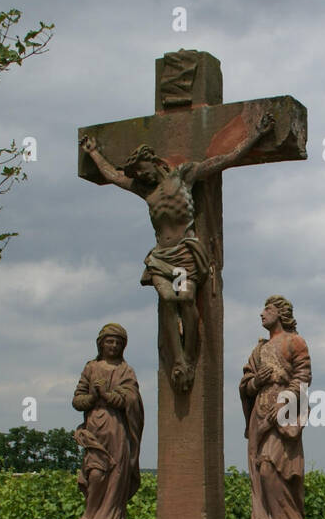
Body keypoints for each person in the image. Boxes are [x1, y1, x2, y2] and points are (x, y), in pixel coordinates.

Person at [80, 112, 275, 393]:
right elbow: (114, 177)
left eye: (143, 169)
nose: (140, 176)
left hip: (184, 253)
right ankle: (178, 360)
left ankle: (189, 359)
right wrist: (95, 154)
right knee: (168, 299)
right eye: (136, 173)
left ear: (155, 161)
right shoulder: (147, 192)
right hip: (161, 257)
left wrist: (255, 136)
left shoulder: (184, 177)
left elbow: (224, 159)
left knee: (184, 297)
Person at [239, 295, 310, 519]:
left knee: (272, 466)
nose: (261, 314)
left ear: (280, 313)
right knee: (259, 470)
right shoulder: (258, 350)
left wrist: (283, 404)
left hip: (284, 414)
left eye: (266, 309)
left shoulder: (295, 342)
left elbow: (302, 378)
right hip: (260, 413)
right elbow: (246, 383)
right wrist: (257, 382)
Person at [71, 323, 143, 519]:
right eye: (109, 341)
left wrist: (108, 394)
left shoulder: (125, 370)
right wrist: (93, 397)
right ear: (101, 344)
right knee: (95, 473)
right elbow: (77, 400)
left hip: (117, 430)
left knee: (116, 476)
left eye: (118, 343)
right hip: (95, 428)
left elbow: (131, 399)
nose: (113, 346)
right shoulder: (91, 368)